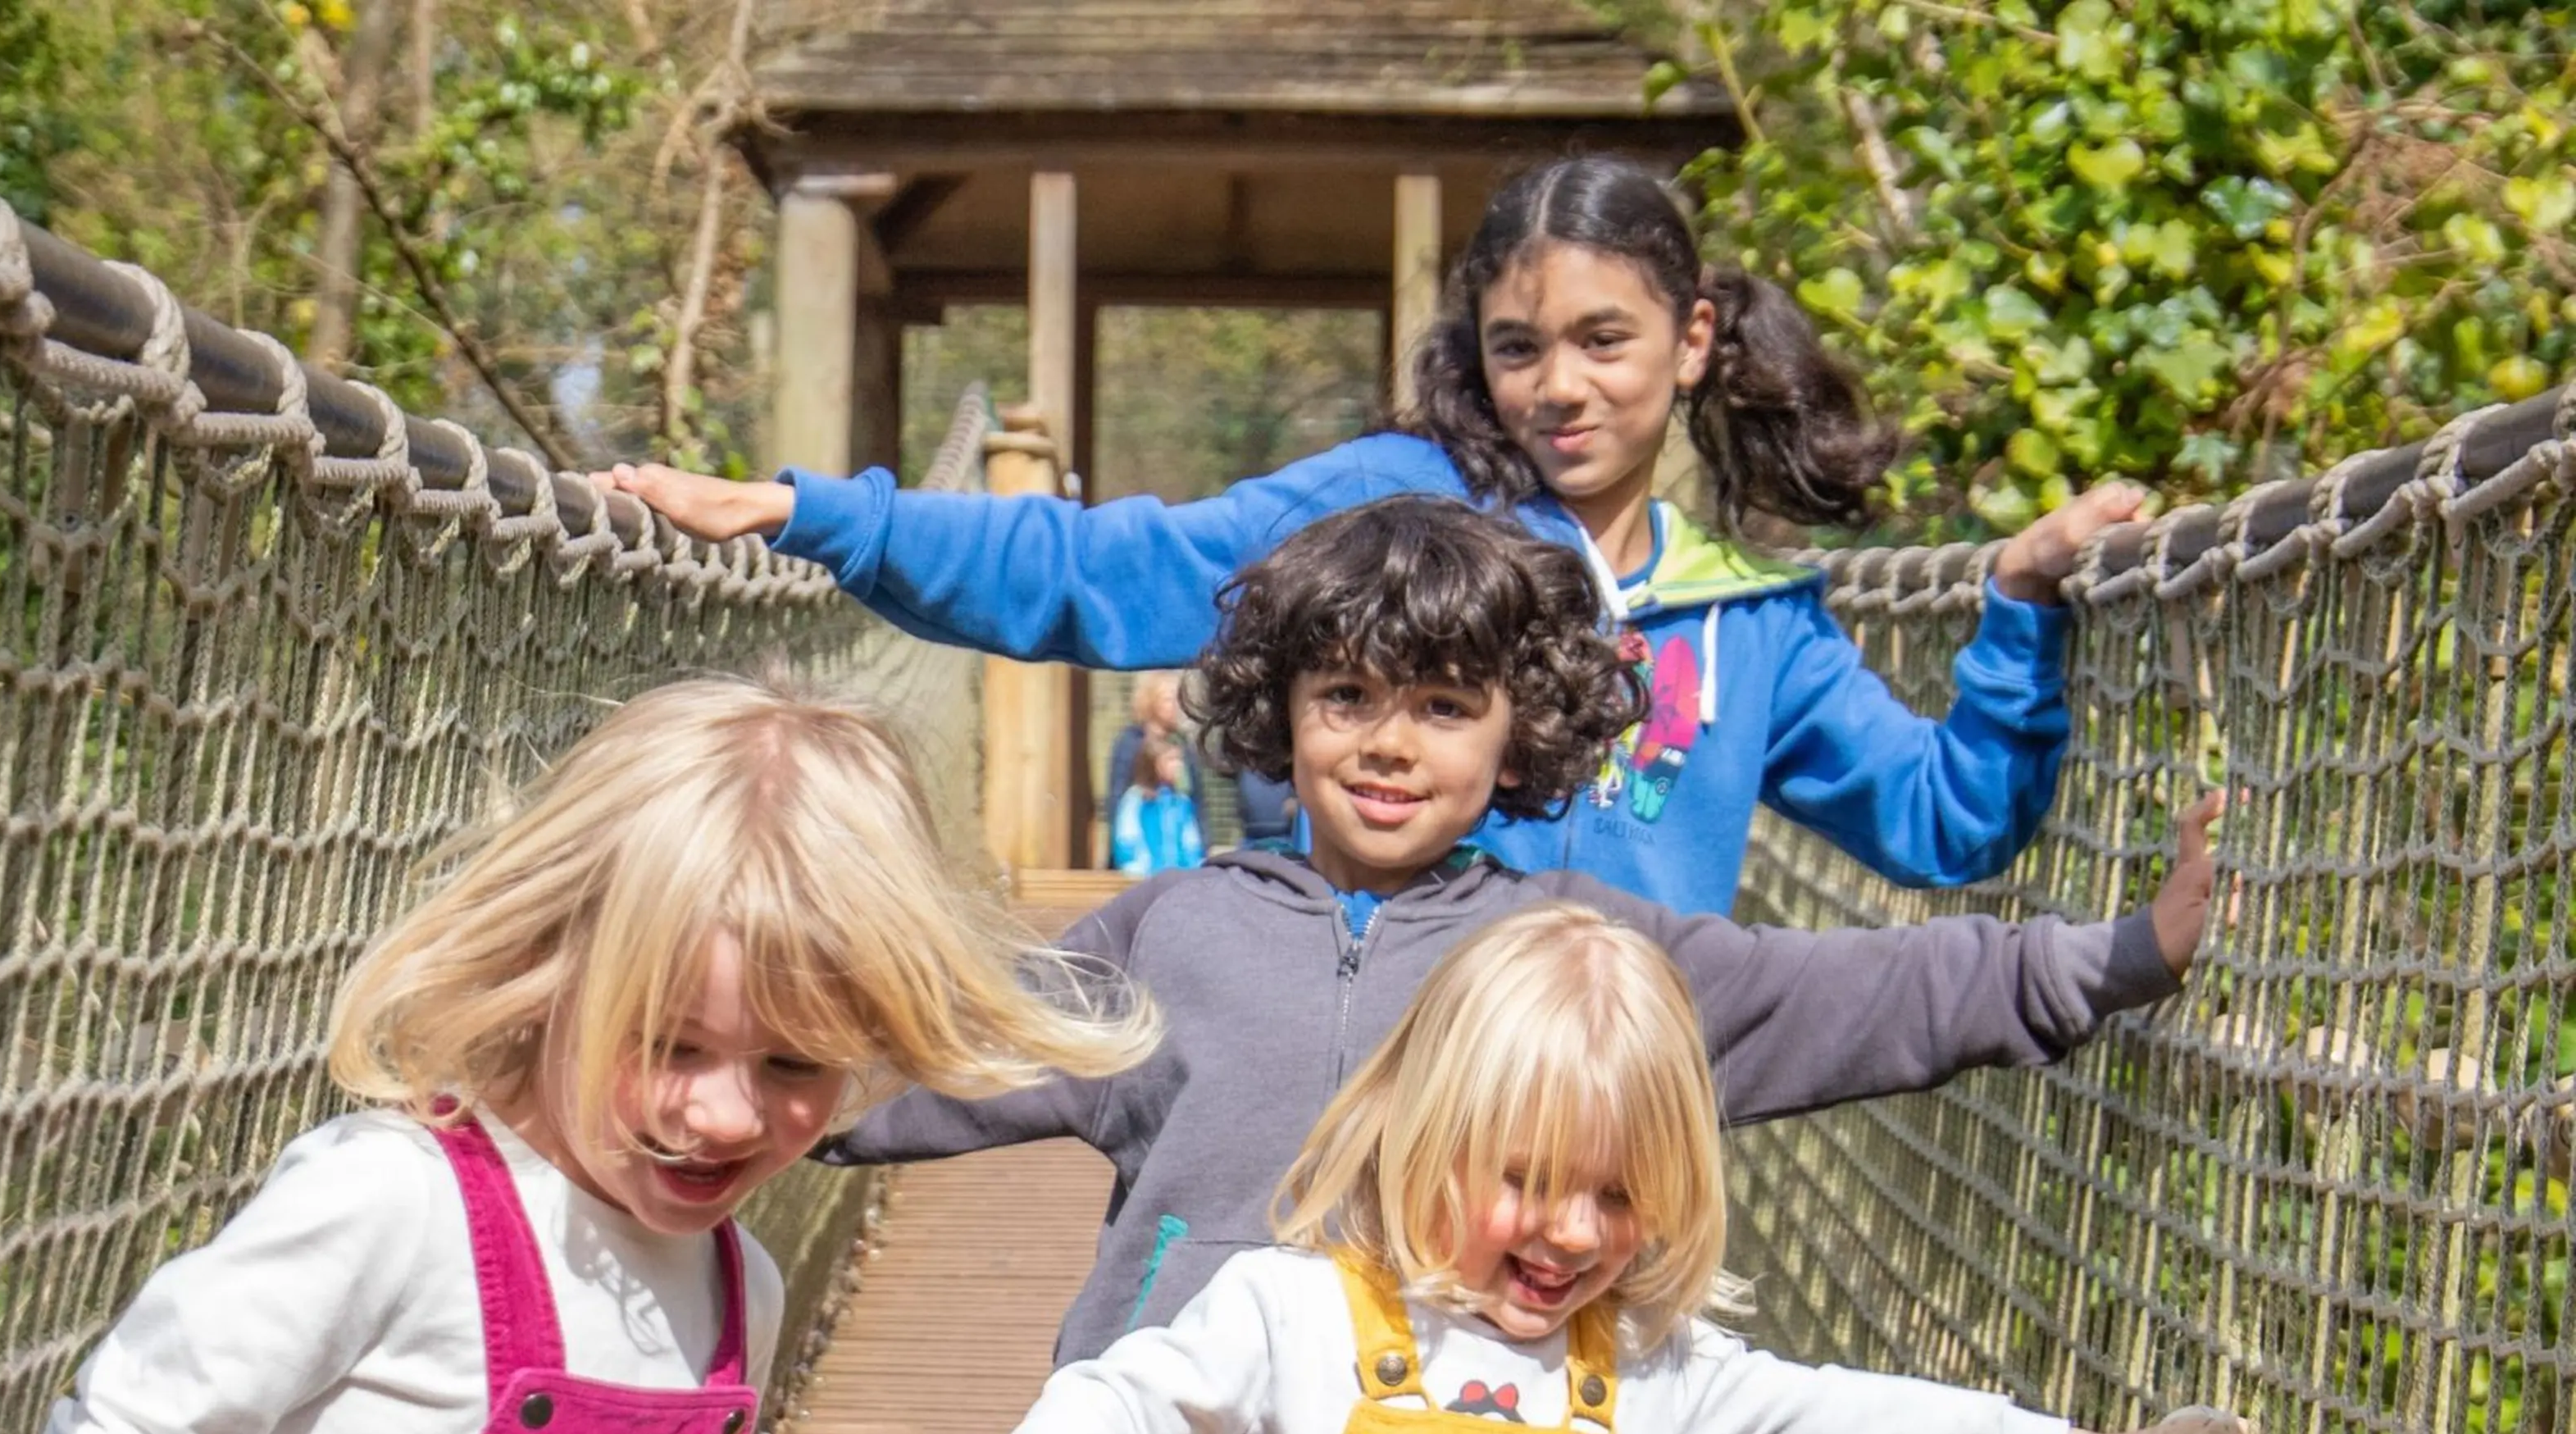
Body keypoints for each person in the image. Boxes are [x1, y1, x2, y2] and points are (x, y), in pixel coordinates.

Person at [820, 497, 2224, 1434]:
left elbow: (1854, 994)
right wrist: (715, 1086)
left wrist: (2118, 957)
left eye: (1442, 704)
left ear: (1520, 729)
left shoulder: (1580, 973)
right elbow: (936, 1049)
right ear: (1283, 709)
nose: (1387, 740)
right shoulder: (1167, 936)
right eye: (1348, 695)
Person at [0, 678, 1158, 1434]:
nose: (724, 1112)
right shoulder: (395, 1203)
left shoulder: (737, 1286)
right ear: (556, 974)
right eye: (669, 1044)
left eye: (794, 1063)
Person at [603, 157, 2149, 916]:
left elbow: (1952, 826)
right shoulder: (1394, 518)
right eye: (1516, 345)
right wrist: (820, 516)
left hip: (1618, 1146)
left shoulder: (1753, 620)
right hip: (1383, 1102)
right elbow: (1106, 572)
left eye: (1605, 342)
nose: (1559, 389)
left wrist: (2017, 608)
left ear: (1690, 343)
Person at [1011, 902, 2150, 1434]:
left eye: (1617, 1197)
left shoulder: (1657, 1371)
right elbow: (1131, 1388)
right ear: (1426, 1138)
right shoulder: (1295, 1309)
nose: (1569, 1232)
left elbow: (1867, 1428)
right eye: (1530, 1181)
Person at [1103, 671, 1197, 840]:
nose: (1175, 706)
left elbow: (1197, 799)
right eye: (1168, 699)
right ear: (1151, 701)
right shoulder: (1130, 743)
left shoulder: (1182, 744)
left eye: (1178, 699)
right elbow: (1117, 797)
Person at [1110, 735, 1207, 878]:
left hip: (1179, 880)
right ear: (1152, 763)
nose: (1178, 765)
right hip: (1145, 879)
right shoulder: (1136, 799)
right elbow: (1127, 839)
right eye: (1170, 760)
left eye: (1179, 759)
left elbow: (1191, 842)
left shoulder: (1181, 800)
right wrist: (1137, 870)